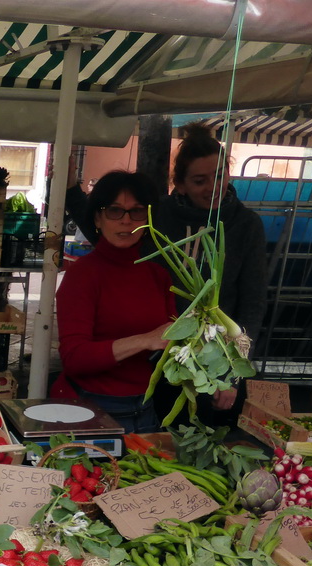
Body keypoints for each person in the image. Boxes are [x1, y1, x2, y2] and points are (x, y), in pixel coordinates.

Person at [63, 126, 268, 419]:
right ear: (180, 184)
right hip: (162, 363)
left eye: (220, 175)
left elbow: (253, 303)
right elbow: (114, 237)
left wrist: (233, 369)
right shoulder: (159, 214)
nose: (213, 186)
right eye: (200, 180)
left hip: (219, 365)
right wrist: (71, 191)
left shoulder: (246, 225)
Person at [50, 171, 176, 432]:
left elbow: (170, 344)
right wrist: (144, 340)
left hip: (145, 410)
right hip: (87, 411)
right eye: (115, 211)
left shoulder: (158, 275)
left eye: (137, 211)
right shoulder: (82, 275)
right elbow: (74, 357)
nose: (127, 221)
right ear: (98, 217)